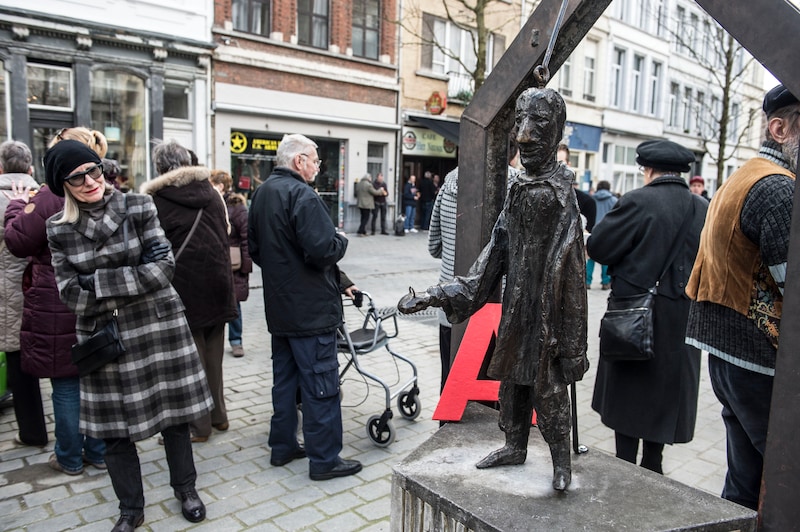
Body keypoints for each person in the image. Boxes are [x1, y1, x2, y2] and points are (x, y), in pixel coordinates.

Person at [399, 87, 588, 491]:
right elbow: (491, 259)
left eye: (537, 123)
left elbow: (573, 277)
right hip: (517, 312)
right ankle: (514, 446)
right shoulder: (518, 190)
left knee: (548, 389)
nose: (524, 134)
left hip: (547, 320)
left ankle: (561, 463)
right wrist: (437, 295)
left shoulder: (561, 196)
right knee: (513, 384)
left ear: (555, 132)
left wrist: (574, 346)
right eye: (520, 122)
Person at [45, 139, 212, 529]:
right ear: (63, 185)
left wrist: (98, 282)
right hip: (106, 339)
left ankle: (186, 489)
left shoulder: (138, 205)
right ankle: (131, 509)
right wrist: (132, 278)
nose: (90, 182)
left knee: (175, 418)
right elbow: (70, 294)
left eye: (93, 171)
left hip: (158, 327)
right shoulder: (58, 229)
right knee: (114, 433)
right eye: (77, 177)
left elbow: (163, 268)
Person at [685, 84, 799, 511]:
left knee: (745, 481)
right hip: (758, 356)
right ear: (780, 129)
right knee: (784, 476)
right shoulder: (780, 188)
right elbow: (793, 286)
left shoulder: (746, 173)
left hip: (729, 351)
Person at [587, 139, 707, 475]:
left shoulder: (638, 200)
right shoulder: (701, 208)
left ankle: (625, 461)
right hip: (681, 316)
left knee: (629, 389)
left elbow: (600, 248)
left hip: (634, 313)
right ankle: (654, 461)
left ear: (648, 170)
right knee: (665, 390)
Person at [248, 133, 362, 481]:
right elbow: (323, 249)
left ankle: (282, 446)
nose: (318, 166)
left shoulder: (263, 193)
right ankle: (324, 459)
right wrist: (341, 240)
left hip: (281, 307)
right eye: (315, 160)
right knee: (320, 384)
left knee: (285, 382)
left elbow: (255, 250)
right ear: (299, 161)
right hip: (311, 311)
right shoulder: (302, 194)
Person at [5, 134, 107, 475]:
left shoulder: (49, 196)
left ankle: (69, 457)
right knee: (95, 380)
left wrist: (17, 207)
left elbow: (18, 241)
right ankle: (98, 451)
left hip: (55, 301)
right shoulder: (104, 194)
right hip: (96, 299)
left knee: (65, 383)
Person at [141, 140, 237, 442]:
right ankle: (219, 416)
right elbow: (226, 231)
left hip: (183, 288)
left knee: (189, 361)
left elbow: (149, 247)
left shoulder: (157, 200)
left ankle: (199, 426)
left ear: (160, 167)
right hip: (219, 283)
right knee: (213, 356)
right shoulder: (212, 192)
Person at [428, 136, 520, 395]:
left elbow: (434, 246)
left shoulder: (450, 182)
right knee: (496, 390)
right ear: (512, 154)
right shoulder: (517, 184)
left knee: (451, 385)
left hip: (452, 304)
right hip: (499, 308)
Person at [0, 140, 48, 448]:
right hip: (38, 286)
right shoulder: (44, 195)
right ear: (30, 168)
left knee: (16, 356)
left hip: (7, 291)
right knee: (30, 357)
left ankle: (32, 432)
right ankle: (38, 429)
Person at [209, 169, 252, 358]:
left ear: (220, 186)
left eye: (211, 185)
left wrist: (245, 267)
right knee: (215, 302)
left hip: (233, 264)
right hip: (214, 262)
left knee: (234, 303)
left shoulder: (236, 207)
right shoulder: (210, 204)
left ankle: (236, 341)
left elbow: (246, 237)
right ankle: (214, 341)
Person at [585, 180, 618, 290]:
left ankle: (587, 281)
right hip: (608, 233)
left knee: (590, 258)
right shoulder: (613, 201)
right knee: (606, 259)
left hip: (592, 231)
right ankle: (605, 282)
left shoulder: (591, 199)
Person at [558, 143, 596, 233]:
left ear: (568, 165)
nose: (555, 168)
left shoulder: (586, 203)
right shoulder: (536, 198)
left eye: (560, 163)